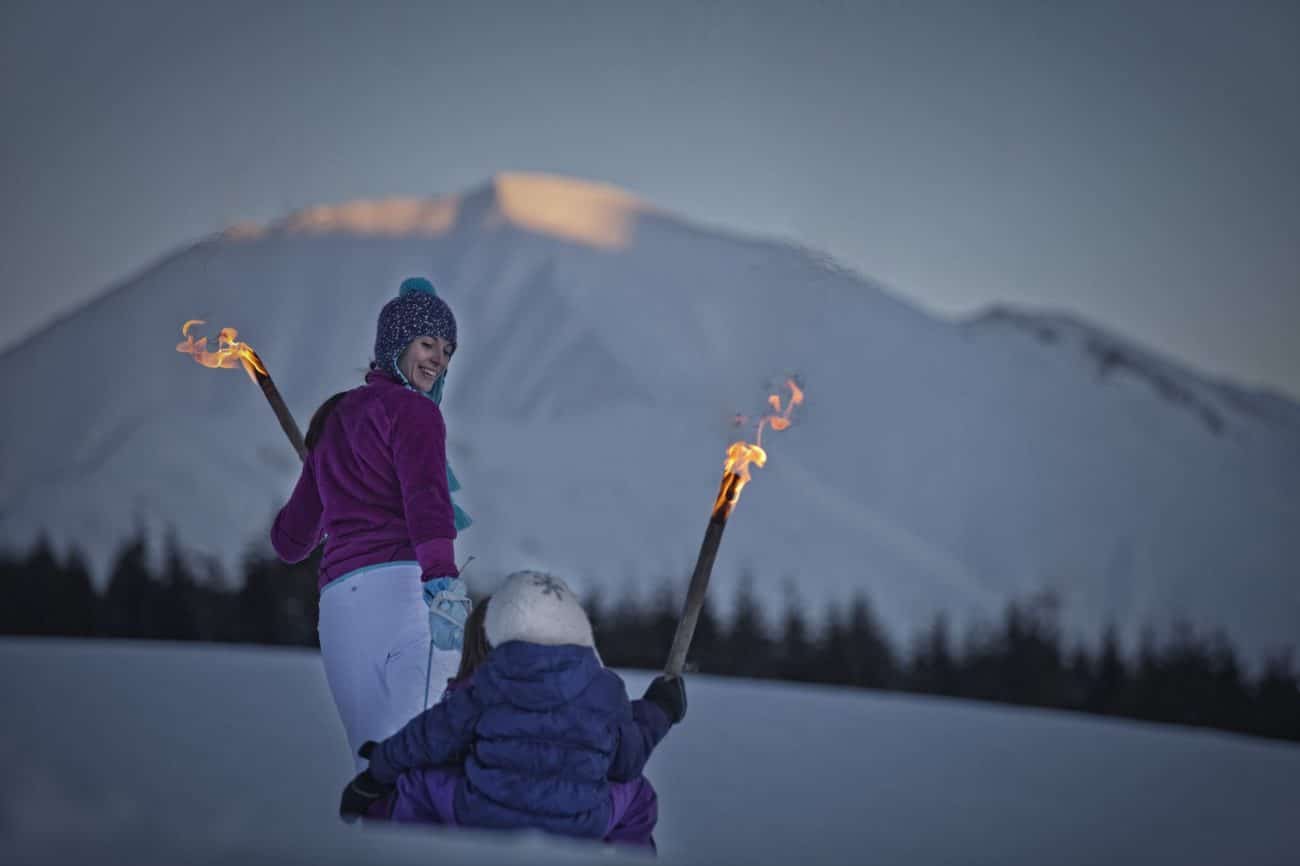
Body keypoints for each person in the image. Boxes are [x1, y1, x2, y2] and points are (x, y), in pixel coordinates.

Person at [271, 276, 473, 771]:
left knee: (374, 769)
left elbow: (290, 541)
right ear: (396, 343)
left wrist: (331, 476)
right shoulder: (416, 412)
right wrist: (442, 581)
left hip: (341, 608)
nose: (439, 360)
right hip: (404, 594)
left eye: (447, 350)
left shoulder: (334, 418)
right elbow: (427, 500)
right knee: (426, 760)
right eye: (427, 344)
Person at [340, 571, 687, 850]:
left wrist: (378, 770)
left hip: (484, 815)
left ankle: (405, 852)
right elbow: (630, 753)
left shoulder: (485, 689)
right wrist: (661, 707)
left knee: (414, 783)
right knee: (638, 793)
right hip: (582, 823)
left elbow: (427, 740)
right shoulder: (602, 690)